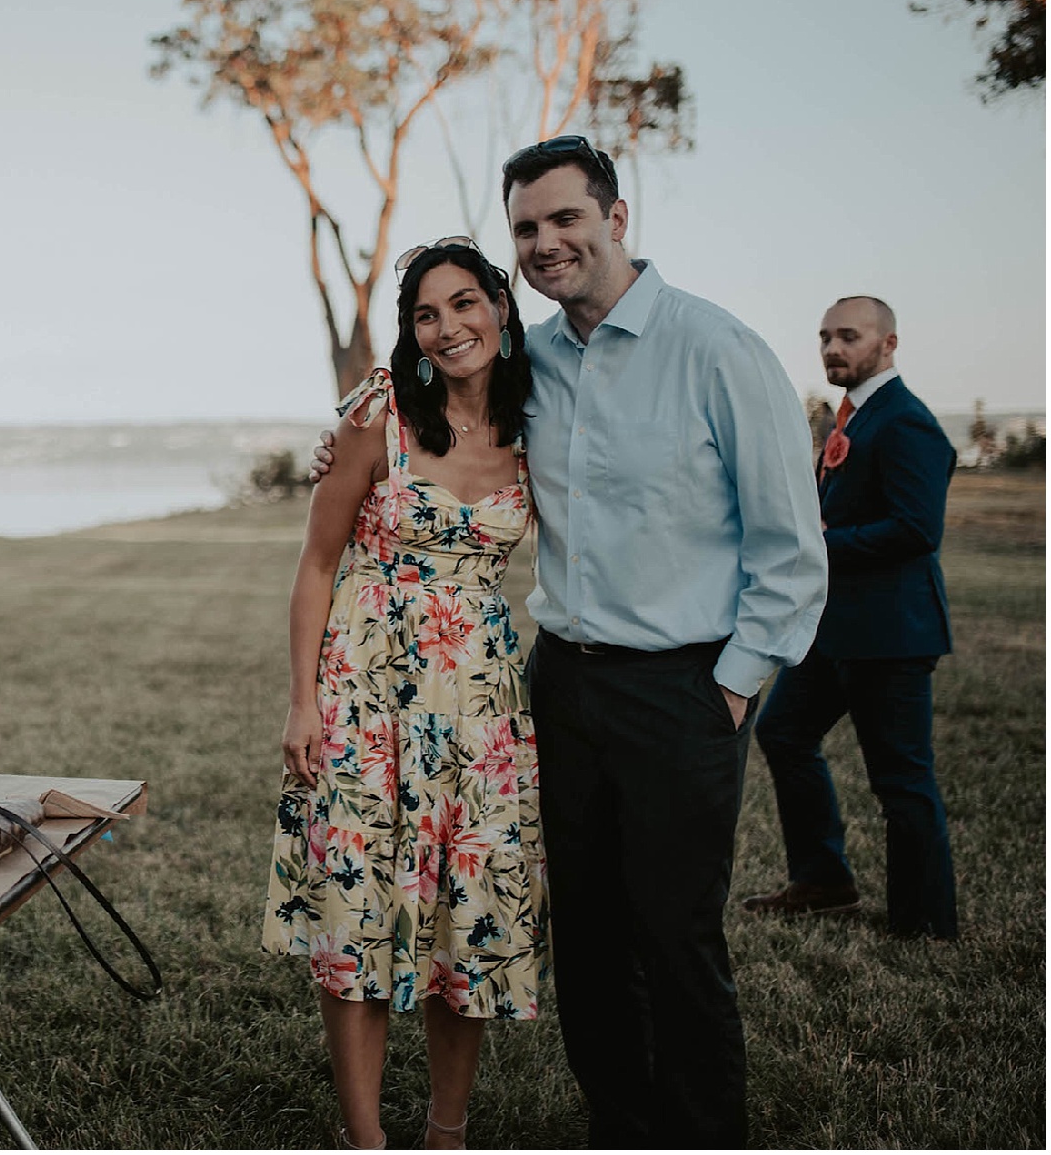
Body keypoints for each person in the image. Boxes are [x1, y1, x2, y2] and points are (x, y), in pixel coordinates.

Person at [312, 136, 828, 1147]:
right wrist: (342, 429)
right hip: (554, 686)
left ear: (615, 218)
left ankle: (698, 1132)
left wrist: (731, 686)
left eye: (564, 220)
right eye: (526, 229)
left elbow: (791, 547)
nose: (545, 243)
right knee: (583, 938)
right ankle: (620, 1126)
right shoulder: (527, 359)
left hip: (684, 687)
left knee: (672, 938)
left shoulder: (715, 349)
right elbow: (426, 396)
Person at [264, 240, 545, 1151]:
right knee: (358, 916)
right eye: (428, 314)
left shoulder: (543, 421)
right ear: (412, 334)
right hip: (364, 698)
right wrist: (302, 704)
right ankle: (366, 1141)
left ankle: (445, 1134)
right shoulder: (377, 416)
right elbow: (315, 563)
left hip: (483, 711)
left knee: (466, 915)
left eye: (466, 303)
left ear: (500, 309)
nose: (450, 326)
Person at [744, 296, 957, 938]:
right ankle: (824, 880)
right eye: (826, 337)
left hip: (890, 633)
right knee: (782, 732)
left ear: (887, 344)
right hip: (834, 630)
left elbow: (917, 530)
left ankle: (925, 924)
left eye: (850, 337)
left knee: (901, 780)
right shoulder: (856, 417)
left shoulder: (905, 422)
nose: (834, 349)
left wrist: (818, 543)